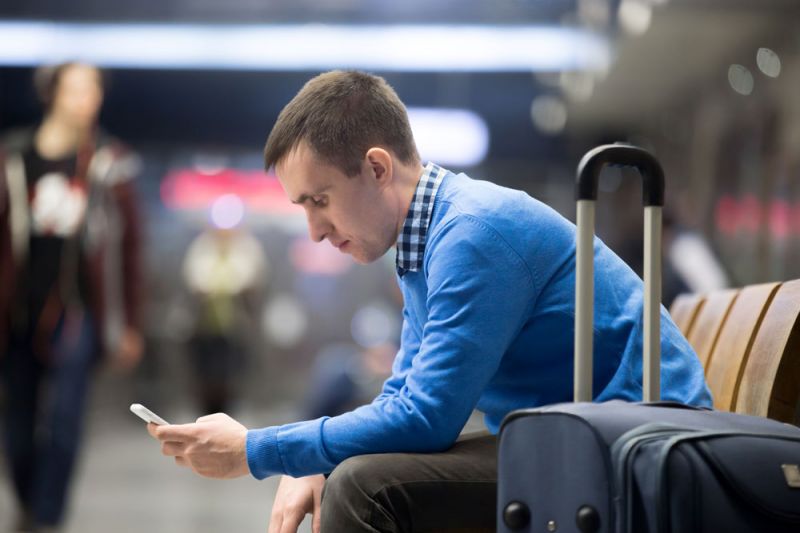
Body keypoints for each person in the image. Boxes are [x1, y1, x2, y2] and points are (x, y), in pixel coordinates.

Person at [147, 70, 711, 532]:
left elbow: (425, 419)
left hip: (636, 448)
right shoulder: (426, 237)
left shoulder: (473, 234)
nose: (316, 230)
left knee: (365, 487)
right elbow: (405, 392)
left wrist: (257, 450)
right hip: (583, 433)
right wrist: (315, 455)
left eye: (320, 200)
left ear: (376, 167)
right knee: (353, 469)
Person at [0, 62, 144, 532]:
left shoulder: (110, 161)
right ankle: (27, 502)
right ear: (52, 93)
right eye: (77, 88)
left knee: (65, 419)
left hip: (78, 311)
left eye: (94, 90)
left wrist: (129, 324)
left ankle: (46, 517)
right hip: (18, 310)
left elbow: (130, 249)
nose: (87, 99)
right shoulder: (14, 158)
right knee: (17, 426)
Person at [182, 224, 267, 415]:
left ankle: (227, 415)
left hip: (234, 327)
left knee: (231, 376)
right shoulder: (201, 249)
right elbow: (194, 283)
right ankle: (206, 414)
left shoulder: (247, 249)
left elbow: (253, 283)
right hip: (203, 327)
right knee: (205, 375)